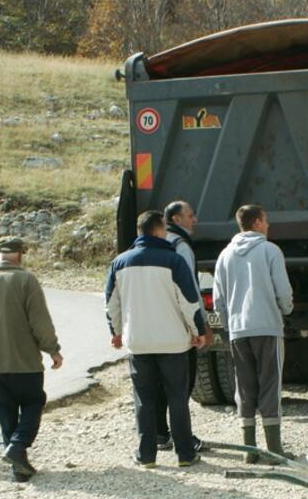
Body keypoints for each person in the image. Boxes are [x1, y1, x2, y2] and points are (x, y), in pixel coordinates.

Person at [105, 210, 207, 468]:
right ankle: (185, 454)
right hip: (173, 342)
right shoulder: (173, 261)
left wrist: (116, 332)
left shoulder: (120, 262)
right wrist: (197, 332)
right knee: (177, 398)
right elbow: (189, 303)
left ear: (140, 231)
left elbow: (111, 305)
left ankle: (146, 455)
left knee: (145, 399)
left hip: (138, 341)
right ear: (159, 229)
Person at [0, 236, 64, 483]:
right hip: (26, 361)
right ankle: (17, 447)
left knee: (6, 412)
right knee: (33, 402)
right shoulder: (26, 280)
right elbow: (40, 321)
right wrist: (52, 349)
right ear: (20, 255)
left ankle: (17, 466)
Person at [213, 204, 294, 464]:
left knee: (245, 387)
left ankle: (250, 450)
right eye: (266, 220)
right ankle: (273, 450)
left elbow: (218, 298)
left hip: (238, 330)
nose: (268, 225)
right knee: (270, 383)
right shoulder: (270, 250)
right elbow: (282, 289)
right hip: (267, 326)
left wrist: (228, 324)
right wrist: (286, 309)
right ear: (257, 222)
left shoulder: (225, 255)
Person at [157, 200, 213, 452]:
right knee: (181, 385)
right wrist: (200, 326)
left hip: (153, 324)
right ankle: (183, 439)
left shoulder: (152, 246)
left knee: (155, 385)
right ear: (177, 219)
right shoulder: (182, 248)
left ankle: (158, 434)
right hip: (179, 325)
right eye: (190, 215)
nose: (195, 220)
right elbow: (190, 290)